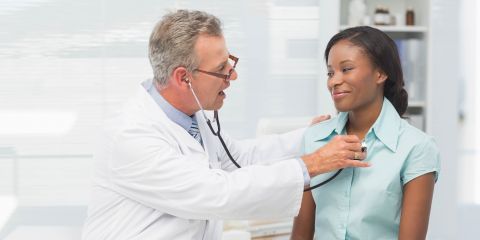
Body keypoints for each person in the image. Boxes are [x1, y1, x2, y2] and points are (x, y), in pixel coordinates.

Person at [81, 10, 369, 240]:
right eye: (221, 69)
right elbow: (218, 192)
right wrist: (313, 164)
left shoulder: (189, 116)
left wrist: (309, 136)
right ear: (184, 78)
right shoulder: (131, 135)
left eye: (229, 62)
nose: (233, 76)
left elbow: (239, 158)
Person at [290, 26, 440, 240]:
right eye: (331, 73)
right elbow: (301, 234)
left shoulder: (417, 147)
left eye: (346, 69)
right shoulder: (314, 138)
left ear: (380, 73)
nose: (333, 81)